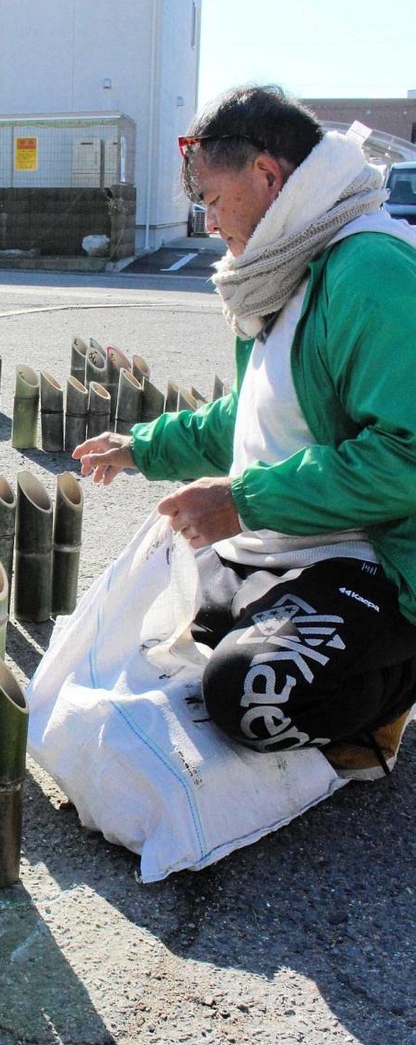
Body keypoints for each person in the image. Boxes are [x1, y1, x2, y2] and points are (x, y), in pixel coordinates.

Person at [75, 84, 416, 780]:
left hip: (373, 560)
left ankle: (393, 687)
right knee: (151, 631)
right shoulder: (284, 267)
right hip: (292, 544)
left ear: (268, 176)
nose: (207, 221)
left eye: (211, 198)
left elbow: (404, 457)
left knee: (244, 693)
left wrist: (243, 501)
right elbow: (253, 416)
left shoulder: (369, 270)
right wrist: (141, 447)